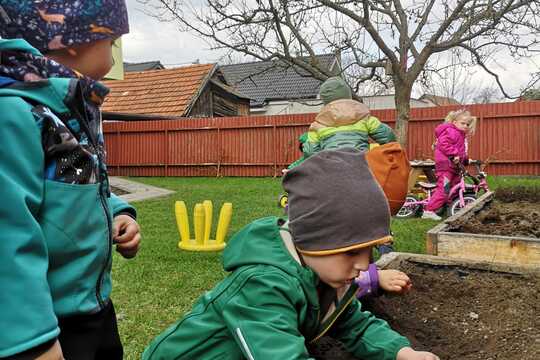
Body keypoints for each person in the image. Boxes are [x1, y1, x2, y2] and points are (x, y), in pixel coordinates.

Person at [143, 149, 438, 360]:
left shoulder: (326, 274)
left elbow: (353, 323)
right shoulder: (262, 285)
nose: (363, 264)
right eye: (350, 251)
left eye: (369, 250)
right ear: (314, 240)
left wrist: (402, 352)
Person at [0, 2, 141, 359]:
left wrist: (119, 212)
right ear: (73, 40)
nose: (113, 55)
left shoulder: (71, 107)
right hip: (49, 329)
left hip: (93, 310)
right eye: (112, 43)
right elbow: (8, 235)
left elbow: (81, 183)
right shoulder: (15, 114)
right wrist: (34, 341)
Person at [287, 76, 396, 170]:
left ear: (325, 100)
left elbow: (310, 152)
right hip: (362, 166)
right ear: (348, 95)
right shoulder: (364, 118)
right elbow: (388, 136)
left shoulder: (318, 125)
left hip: (331, 168)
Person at [422, 109, 477, 220]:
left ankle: (448, 206)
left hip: (454, 167)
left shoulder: (461, 135)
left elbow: (460, 152)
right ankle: (429, 210)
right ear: (454, 122)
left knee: (454, 188)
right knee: (444, 189)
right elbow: (443, 144)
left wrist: (466, 160)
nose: (465, 126)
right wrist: (454, 154)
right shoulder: (451, 131)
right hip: (446, 166)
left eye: (467, 124)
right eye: (463, 123)